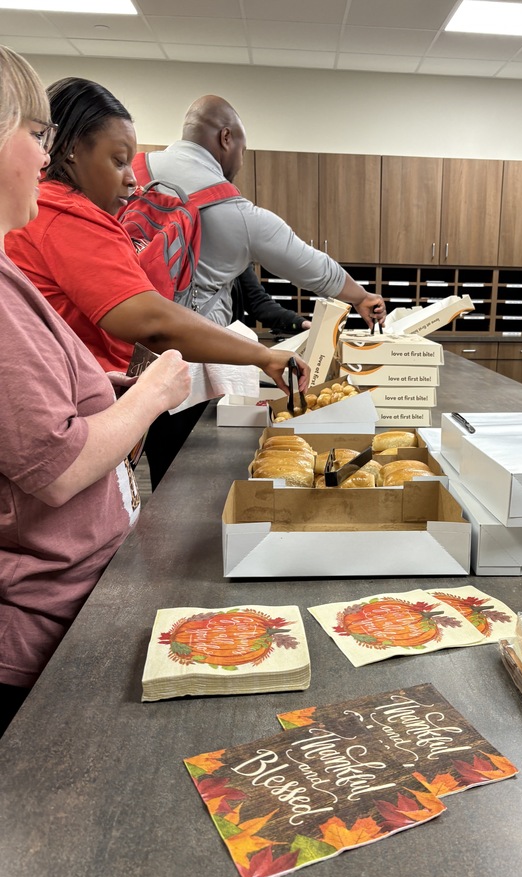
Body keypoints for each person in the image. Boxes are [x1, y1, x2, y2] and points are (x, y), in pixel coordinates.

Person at [0, 47, 191, 736]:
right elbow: (55, 468)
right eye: (35, 135)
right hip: (39, 624)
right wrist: (153, 391)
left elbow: (31, 399)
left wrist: (106, 388)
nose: (43, 156)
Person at [5, 78, 311, 489]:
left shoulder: (56, 214)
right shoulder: (67, 217)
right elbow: (152, 321)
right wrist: (264, 356)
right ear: (72, 149)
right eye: (118, 162)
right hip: (72, 428)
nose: (131, 181)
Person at [138, 94, 386, 330]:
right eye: (242, 151)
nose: (240, 162)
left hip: (122, 343)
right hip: (184, 349)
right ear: (226, 137)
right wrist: (361, 297)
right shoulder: (236, 213)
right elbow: (314, 268)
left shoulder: (129, 174)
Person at [231, 264, 311, 336]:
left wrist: (299, 322)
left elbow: (258, 301)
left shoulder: (237, 260)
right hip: (227, 339)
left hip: (233, 341)